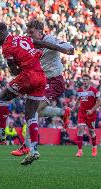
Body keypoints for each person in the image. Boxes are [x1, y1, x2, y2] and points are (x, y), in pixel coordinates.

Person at [0, 22, 50, 165]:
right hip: (41, 77)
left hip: (29, 75)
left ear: (0, 33)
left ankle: (1, 133)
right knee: (31, 114)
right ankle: (33, 149)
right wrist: (59, 48)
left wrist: (19, 70)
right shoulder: (22, 38)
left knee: (3, 98)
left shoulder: (6, 47)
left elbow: (14, 71)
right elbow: (40, 44)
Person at [11, 19, 74, 157]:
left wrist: (69, 49)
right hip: (40, 81)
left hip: (54, 81)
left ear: (40, 32)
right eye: (28, 32)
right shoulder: (30, 44)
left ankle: (27, 146)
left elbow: (65, 45)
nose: (29, 34)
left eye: (32, 32)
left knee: (34, 109)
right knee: (33, 111)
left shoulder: (50, 39)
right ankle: (62, 113)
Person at [73, 74, 101, 157]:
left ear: (89, 81)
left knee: (91, 131)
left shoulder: (94, 90)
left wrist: (92, 110)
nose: (85, 81)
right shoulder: (80, 91)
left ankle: (94, 147)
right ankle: (80, 151)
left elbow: (99, 102)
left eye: (86, 79)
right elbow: (78, 100)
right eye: (84, 79)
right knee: (80, 129)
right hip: (82, 113)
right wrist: (73, 109)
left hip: (91, 114)